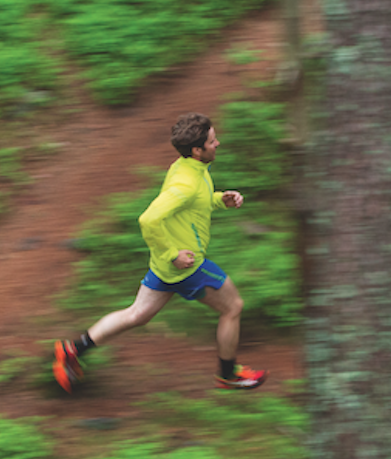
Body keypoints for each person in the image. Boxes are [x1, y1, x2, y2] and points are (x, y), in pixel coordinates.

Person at [53, 112, 267, 392]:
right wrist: (173, 255)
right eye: (213, 141)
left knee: (136, 315)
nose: (218, 144)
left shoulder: (186, 167)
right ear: (197, 150)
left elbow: (192, 204)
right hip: (187, 266)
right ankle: (228, 374)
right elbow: (148, 220)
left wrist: (219, 200)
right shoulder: (186, 183)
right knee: (233, 307)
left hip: (164, 267)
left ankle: (72, 350)